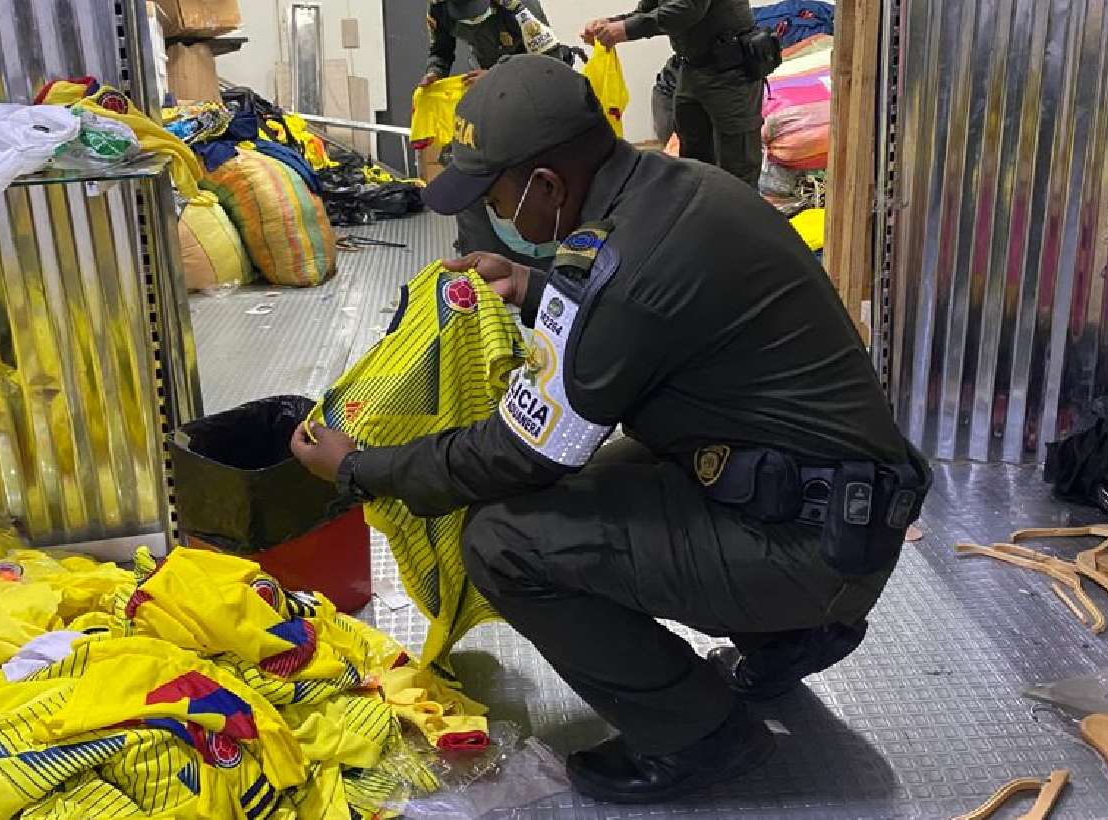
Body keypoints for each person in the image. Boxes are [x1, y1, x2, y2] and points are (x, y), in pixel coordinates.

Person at [293, 56, 929, 805]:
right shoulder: (675, 192)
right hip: (826, 507)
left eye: (495, 194)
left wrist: (361, 468)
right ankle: (790, 636)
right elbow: (637, 324)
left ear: (546, 186)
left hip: (810, 547)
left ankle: (698, 737)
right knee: (622, 465)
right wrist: (530, 287)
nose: (491, 211)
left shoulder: (627, 265)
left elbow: (522, 453)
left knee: (504, 540)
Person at [421, 0, 569, 267]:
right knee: (470, 172)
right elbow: (441, 50)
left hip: (534, 91)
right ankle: (478, 257)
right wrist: (435, 73)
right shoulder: (440, 6)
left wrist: (499, 74)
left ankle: (543, 268)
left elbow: (550, 59)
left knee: (528, 177)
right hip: (488, 93)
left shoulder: (515, 5)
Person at [584, 1, 764, 187]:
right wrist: (609, 25)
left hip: (730, 72)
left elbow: (687, 9)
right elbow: (648, 9)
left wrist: (624, 29)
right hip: (691, 68)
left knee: (738, 166)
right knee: (693, 160)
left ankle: (739, 214)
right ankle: (706, 211)